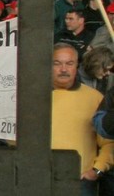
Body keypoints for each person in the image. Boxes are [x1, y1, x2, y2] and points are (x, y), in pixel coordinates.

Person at [51, 43, 114, 195]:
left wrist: (97, 170)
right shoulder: (30, 98)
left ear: (77, 66)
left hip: (80, 183)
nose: (64, 69)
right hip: (37, 179)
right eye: (57, 63)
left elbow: (109, 142)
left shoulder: (95, 98)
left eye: (69, 63)